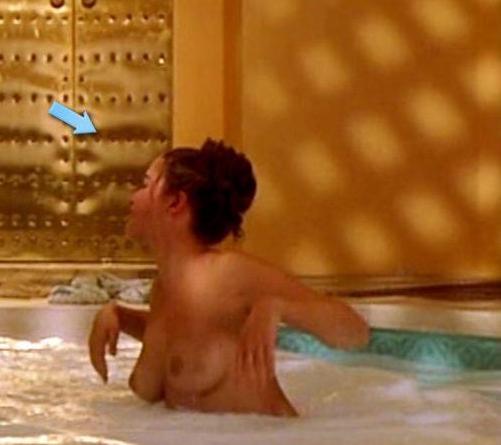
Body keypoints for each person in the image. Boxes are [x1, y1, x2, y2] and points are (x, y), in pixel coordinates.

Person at [88, 139, 370, 417]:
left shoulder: (229, 275)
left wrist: (277, 308)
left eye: (146, 184)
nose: (132, 196)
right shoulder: (165, 289)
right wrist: (119, 316)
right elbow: (187, 338)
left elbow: (355, 332)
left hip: (268, 440)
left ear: (175, 202)